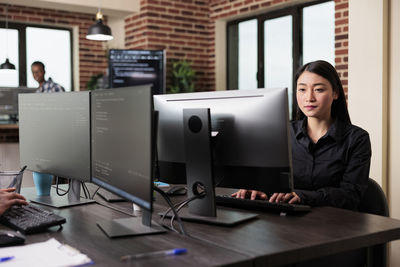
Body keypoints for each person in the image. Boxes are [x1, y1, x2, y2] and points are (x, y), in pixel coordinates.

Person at [233, 60, 371, 210]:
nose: (309, 98)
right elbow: (268, 181)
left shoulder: (357, 139)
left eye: (318, 90)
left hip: (335, 225)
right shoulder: (282, 133)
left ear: (335, 93)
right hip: (285, 221)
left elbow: (351, 196)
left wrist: (303, 196)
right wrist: (255, 188)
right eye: (302, 89)